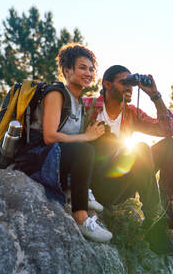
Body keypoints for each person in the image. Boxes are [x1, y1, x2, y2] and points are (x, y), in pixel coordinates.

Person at [83, 65, 173, 253]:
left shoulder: (131, 113)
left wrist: (154, 95)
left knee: (172, 146)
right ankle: (155, 224)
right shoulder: (88, 106)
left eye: (131, 84)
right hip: (97, 185)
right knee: (140, 148)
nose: (129, 88)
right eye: (124, 83)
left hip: (122, 184)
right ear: (107, 84)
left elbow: (168, 130)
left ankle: (164, 213)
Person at [14, 43, 112, 243]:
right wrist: (86, 137)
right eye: (82, 67)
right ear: (67, 71)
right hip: (36, 160)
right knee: (85, 148)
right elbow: (49, 137)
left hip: (56, 158)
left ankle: (82, 192)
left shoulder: (78, 103)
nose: (88, 73)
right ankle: (81, 217)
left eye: (91, 69)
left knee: (104, 145)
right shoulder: (56, 94)